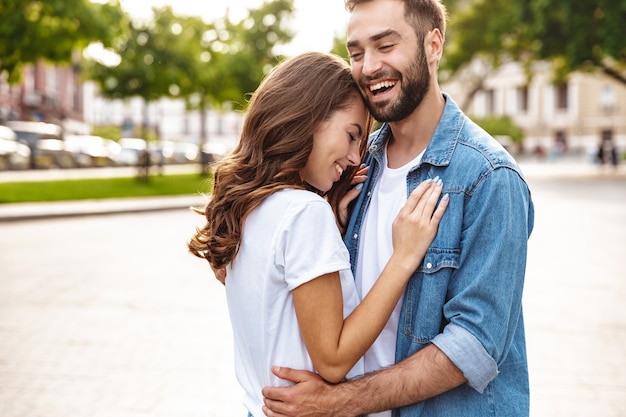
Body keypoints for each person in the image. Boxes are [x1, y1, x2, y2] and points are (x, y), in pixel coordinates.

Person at [261, 1, 535, 416]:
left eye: (385, 45)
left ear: (433, 45)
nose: (369, 67)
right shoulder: (353, 165)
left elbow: (475, 344)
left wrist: (341, 402)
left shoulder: (488, 176)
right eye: (356, 53)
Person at [187, 51, 449, 417]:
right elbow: (333, 360)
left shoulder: (249, 207)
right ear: (308, 118)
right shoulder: (303, 213)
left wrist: (334, 229)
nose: (357, 158)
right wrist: (403, 257)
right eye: (352, 135)